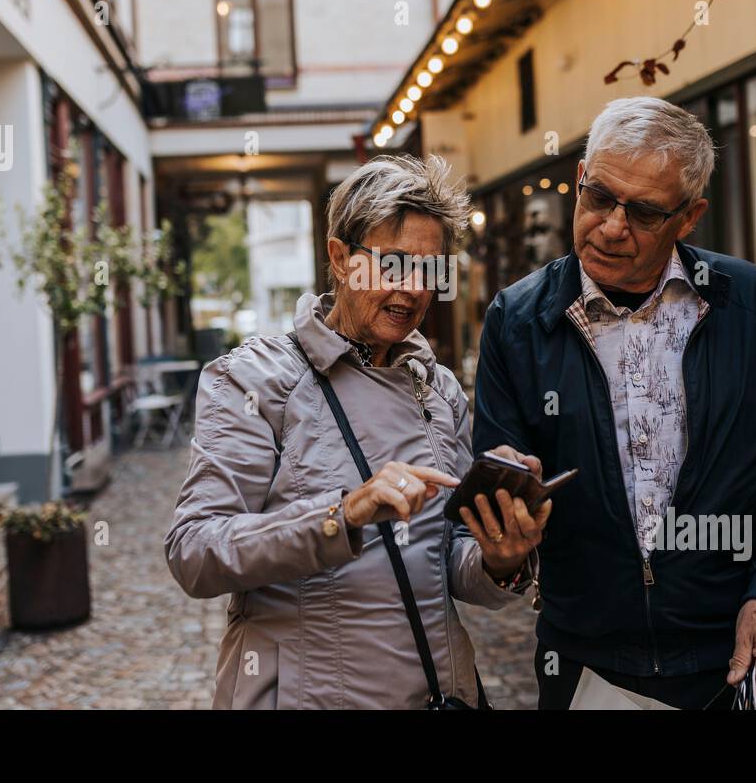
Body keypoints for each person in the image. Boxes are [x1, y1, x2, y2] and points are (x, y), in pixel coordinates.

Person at [474, 96, 756, 710]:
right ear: (579, 181)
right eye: (598, 198)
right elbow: (500, 491)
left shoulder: (748, 303)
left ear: (690, 216)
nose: (612, 227)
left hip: (728, 661)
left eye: (645, 213)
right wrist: (508, 549)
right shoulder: (516, 321)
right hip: (582, 663)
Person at [165, 154, 547, 709]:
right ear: (339, 258)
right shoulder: (255, 379)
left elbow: (449, 565)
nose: (413, 290)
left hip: (438, 692)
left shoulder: (437, 389)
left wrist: (500, 556)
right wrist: (342, 515)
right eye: (391, 265)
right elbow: (194, 552)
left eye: (429, 270)